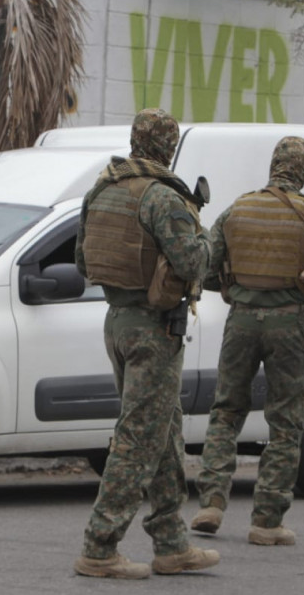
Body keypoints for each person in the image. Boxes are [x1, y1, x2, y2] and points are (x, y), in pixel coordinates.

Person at [72, 108, 219, 579]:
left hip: (117, 321)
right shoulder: (161, 196)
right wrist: (208, 237)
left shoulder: (102, 189)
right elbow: (195, 263)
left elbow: (81, 260)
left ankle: (172, 542)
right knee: (140, 437)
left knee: (164, 430)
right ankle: (100, 546)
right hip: (153, 330)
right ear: (168, 146)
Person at [190, 136, 304, 546]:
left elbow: (205, 272)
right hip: (288, 326)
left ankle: (210, 503)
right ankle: (266, 521)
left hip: (241, 322)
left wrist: (238, 281)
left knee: (226, 411)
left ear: (274, 164)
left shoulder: (236, 209)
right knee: (285, 422)